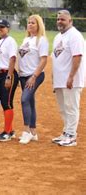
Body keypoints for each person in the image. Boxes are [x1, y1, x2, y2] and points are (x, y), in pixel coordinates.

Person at [51, 10, 85, 147]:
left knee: (71, 107)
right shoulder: (58, 37)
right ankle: (66, 132)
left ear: (70, 21)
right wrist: (54, 77)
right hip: (60, 79)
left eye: (63, 19)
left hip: (71, 79)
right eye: (58, 19)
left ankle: (71, 135)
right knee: (63, 108)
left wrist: (71, 76)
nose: (60, 22)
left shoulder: (75, 36)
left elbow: (77, 57)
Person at [17, 15, 48, 144]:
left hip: (34, 75)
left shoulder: (41, 40)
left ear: (38, 25)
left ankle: (26, 131)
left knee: (24, 100)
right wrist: (20, 74)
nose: (30, 25)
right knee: (30, 101)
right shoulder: (26, 39)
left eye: (33, 23)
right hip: (24, 75)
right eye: (28, 23)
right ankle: (33, 132)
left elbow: (44, 59)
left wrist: (34, 76)